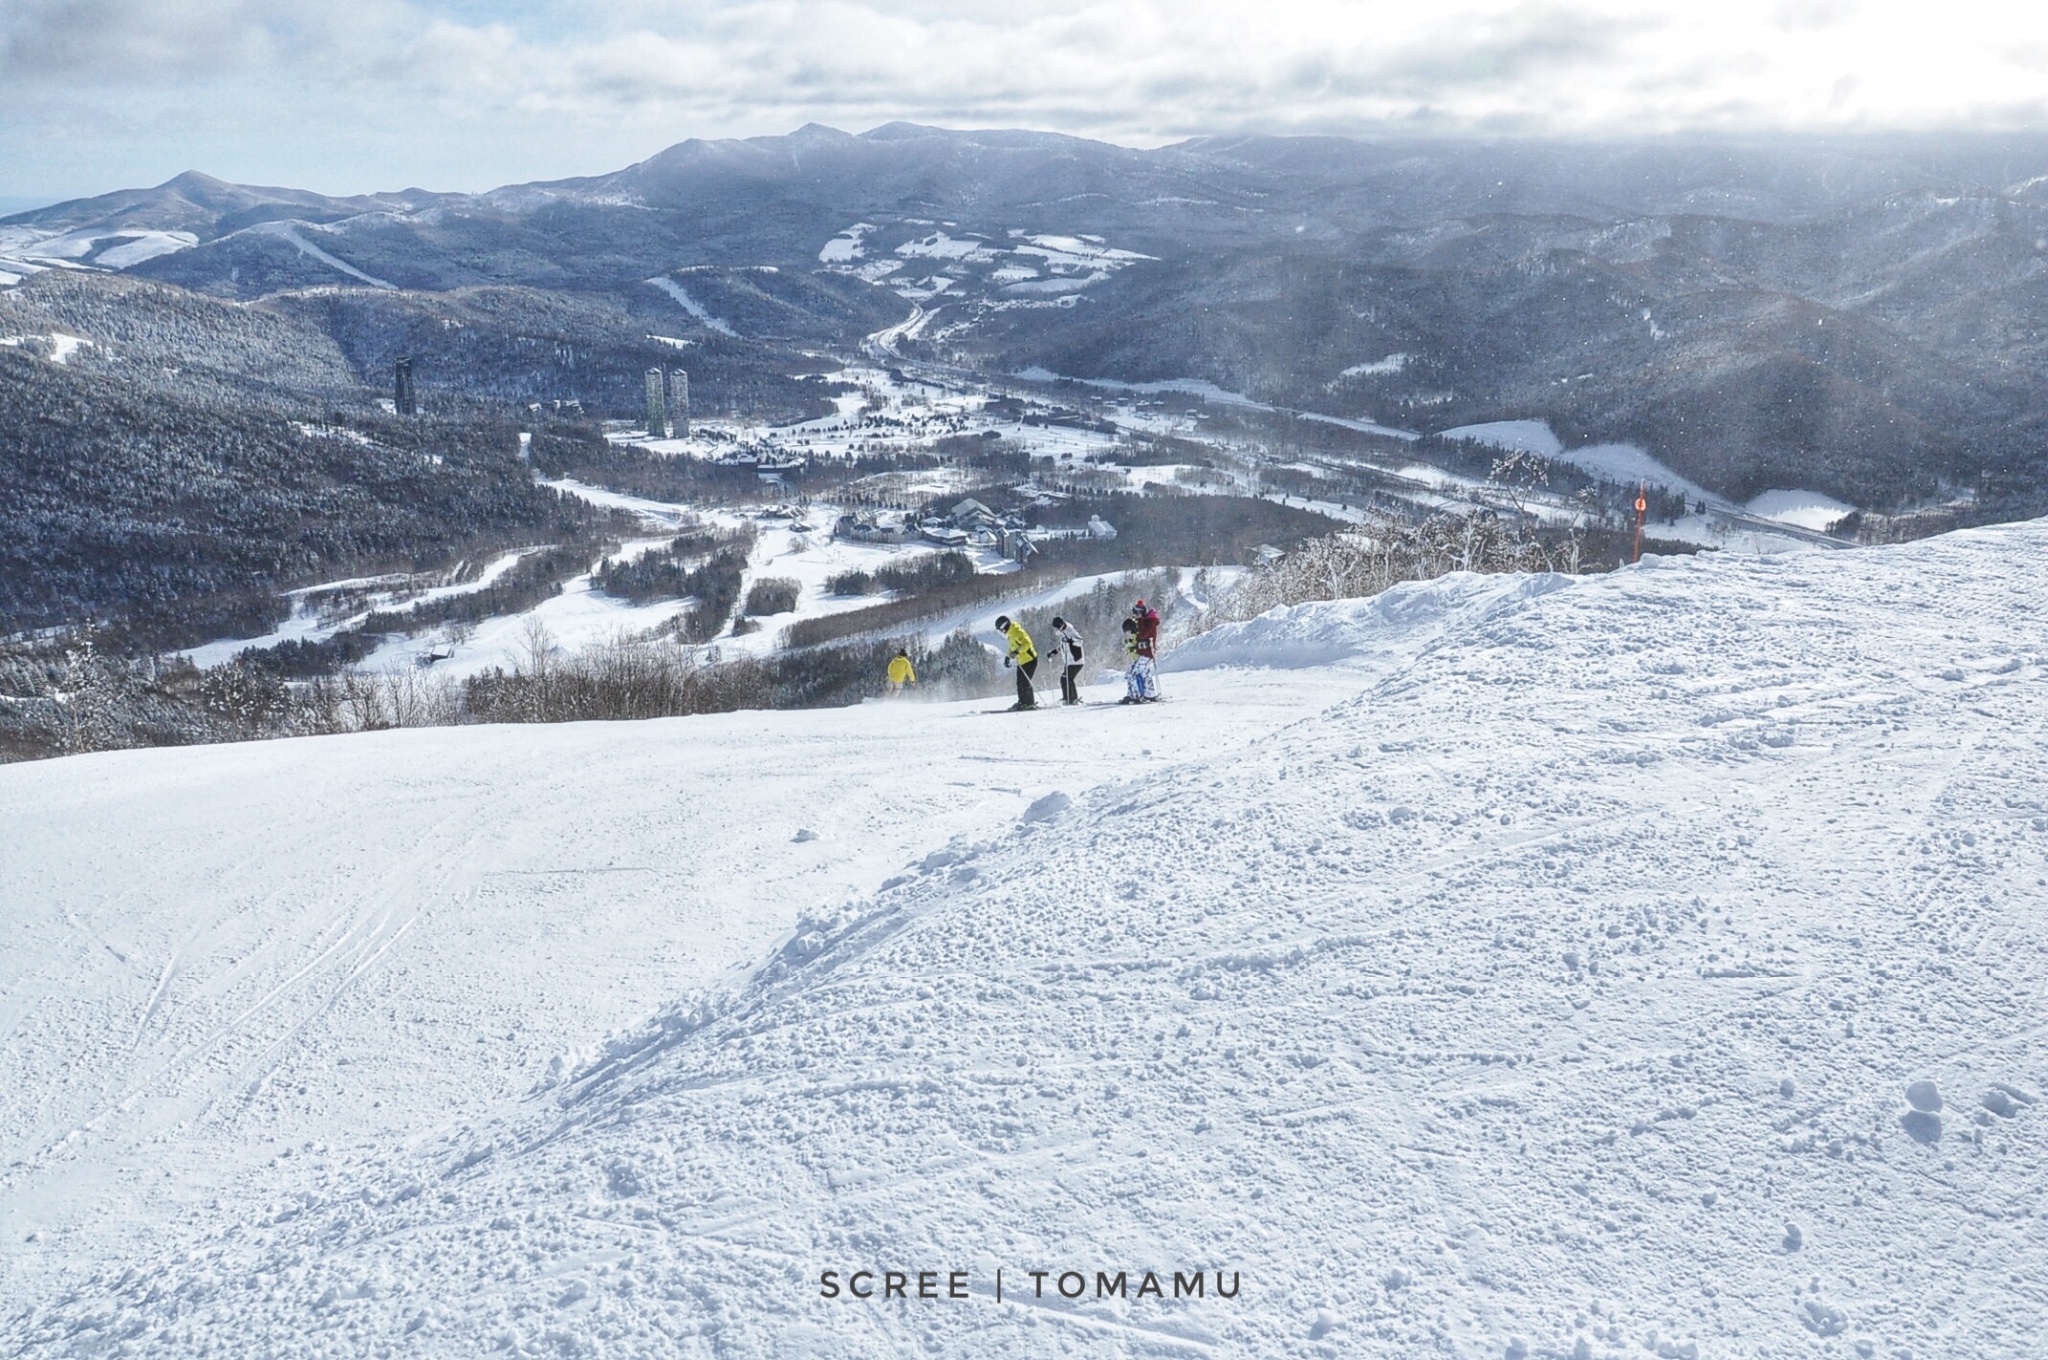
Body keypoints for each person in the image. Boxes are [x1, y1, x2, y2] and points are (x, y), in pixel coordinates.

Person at [993, 614, 1038, 710]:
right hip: (1022, 661)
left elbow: (1027, 644)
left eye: (1001, 629)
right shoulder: (1010, 633)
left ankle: (1029, 703)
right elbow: (1012, 647)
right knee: (1019, 683)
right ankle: (1022, 702)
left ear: (1004, 625)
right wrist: (1007, 657)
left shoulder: (1017, 632)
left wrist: (1017, 652)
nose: (1001, 631)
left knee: (1024, 682)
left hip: (1030, 660)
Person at [1130, 598, 1161, 702]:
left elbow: (1143, 635)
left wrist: (1140, 620)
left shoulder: (1150, 621)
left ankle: (1136, 696)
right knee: (1145, 674)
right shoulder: (1147, 621)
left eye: (1136, 613)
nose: (1135, 616)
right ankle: (1150, 694)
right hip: (1144, 652)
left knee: (1133, 674)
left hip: (1146, 652)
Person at [1049, 615, 1085, 704]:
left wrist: (1071, 640)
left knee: (1066, 678)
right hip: (1069, 661)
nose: (1056, 630)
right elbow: (1063, 645)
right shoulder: (1063, 632)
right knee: (1066, 678)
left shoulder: (1070, 630)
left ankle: (1071, 699)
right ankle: (1069, 698)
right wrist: (1055, 651)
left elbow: (1080, 641)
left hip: (1076, 660)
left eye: (1056, 627)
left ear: (1060, 625)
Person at [1118, 617, 1144, 704]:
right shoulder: (1134, 635)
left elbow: (1137, 647)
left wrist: (1131, 649)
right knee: (1129, 675)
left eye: (1128, 631)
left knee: (1132, 675)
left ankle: (1136, 695)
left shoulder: (1137, 635)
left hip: (1140, 659)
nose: (1128, 633)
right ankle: (1131, 694)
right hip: (1136, 659)